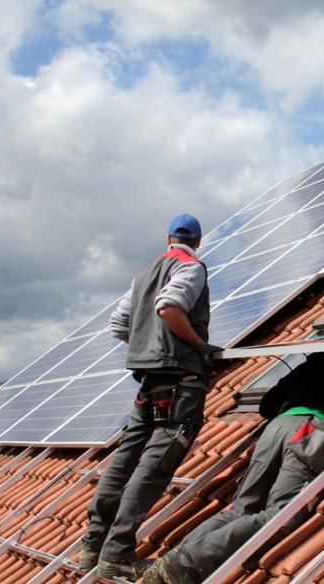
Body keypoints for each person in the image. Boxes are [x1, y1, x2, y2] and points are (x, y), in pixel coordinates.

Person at [142, 350, 324, 584]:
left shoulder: (314, 360)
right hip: (315, 431)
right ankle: (188, 563)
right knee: (281, 516)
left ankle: (174, 561)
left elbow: (267, 403)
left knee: (242, 509)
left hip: (277, 427)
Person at [79, 214, 221, 581]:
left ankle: (93, 546)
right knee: (154, 467)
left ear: (168, 237)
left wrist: (146, 347)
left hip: (147, 382)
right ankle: (117, 553)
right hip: (180, 380)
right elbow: (170, 307)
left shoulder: (142, 275)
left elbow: (117, 325)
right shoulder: (191, 267)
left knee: (124, 460)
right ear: (198, 241)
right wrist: (198, 346)